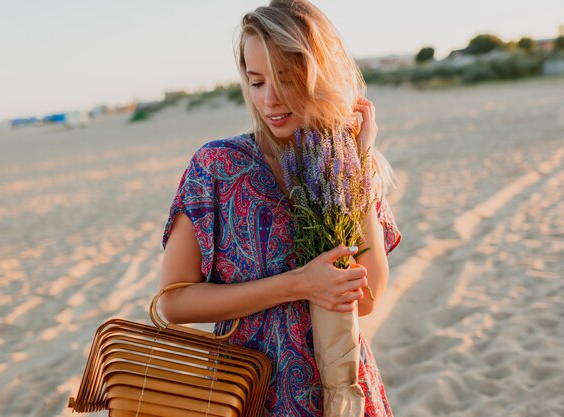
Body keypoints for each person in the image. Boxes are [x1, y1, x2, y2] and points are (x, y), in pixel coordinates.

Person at [159, 1, 402, 415]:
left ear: (318, 76)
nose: (270, 100)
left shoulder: (343, 167)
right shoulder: (217, 166)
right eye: (256, 82)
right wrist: (299, 283)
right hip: (252, 393)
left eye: (287, 79)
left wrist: (355, 164)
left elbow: (368, 298)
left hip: (344, 390)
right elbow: (174, 303)